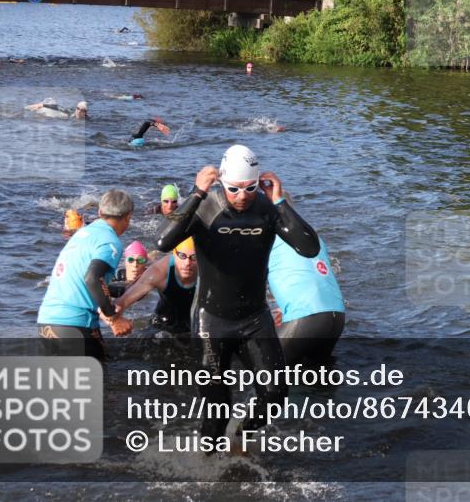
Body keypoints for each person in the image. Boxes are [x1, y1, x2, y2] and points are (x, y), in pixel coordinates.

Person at [154, 144, 321, 439]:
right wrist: (196, 192)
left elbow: (309, 247)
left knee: (275, 393)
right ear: (220, 181)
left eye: (249, 188)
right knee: (217, 407)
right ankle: (209, 458)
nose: (242, 196)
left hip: (254, 319)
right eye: (233, 188)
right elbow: (163, 243)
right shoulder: (206, 206)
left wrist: (280, 201)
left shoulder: (267, 208)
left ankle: (241, 436)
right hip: (211, 321)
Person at [37, 189, 135, 360]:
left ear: (99, 212)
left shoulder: (82, 234)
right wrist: (114, 319)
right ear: (128, 217)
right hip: (75, 325)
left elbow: (81, 279)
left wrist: (122, 290)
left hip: (47, 322)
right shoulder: (110, 241)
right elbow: (92, 278)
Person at [268, 200, 345, 365]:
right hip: (337, 315)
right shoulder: (310, 235)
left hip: (306, 317)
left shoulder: (265, 234)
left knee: (267, 372)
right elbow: (306, 274)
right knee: (318, 379)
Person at [115, 237, 198, 335]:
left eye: (193, 257)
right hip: (163, 323)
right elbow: (124, 300)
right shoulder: (159, 271)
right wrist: (115, 320)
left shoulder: (210, 271)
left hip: (198, 323)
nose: (187, 263)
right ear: (174, 254)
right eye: (182, 256)